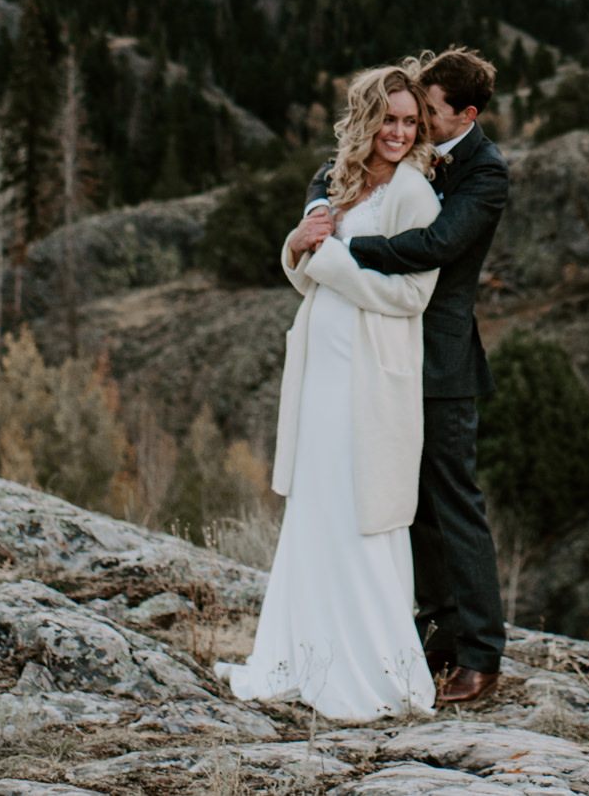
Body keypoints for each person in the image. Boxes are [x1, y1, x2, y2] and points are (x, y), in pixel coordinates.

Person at [218, 64, 443, 721]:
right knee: (317, 502)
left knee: (361, 504)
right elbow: (307, 272)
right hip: (321, 370)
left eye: (410, 121)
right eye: (389, 119)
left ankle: (374, 673)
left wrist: (335, 262)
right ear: (366, 120)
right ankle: (300, 657)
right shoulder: (339, 183)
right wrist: (297, 246)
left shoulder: (414, 195)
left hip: (371, 375)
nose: (400, 132)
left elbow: (412, 295)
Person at [291, 46, 507, 707]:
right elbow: (338, 169)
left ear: (465, 114)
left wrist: (345, 245)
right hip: (382, 355)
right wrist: (320, 210)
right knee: (407, 507)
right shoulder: (413, 150)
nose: (419, 127)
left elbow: (437, 245)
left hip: (439, 359)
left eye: (430, 113)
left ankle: (481, 655)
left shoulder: (485, 172)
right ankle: (434, 634)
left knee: (454, 503)